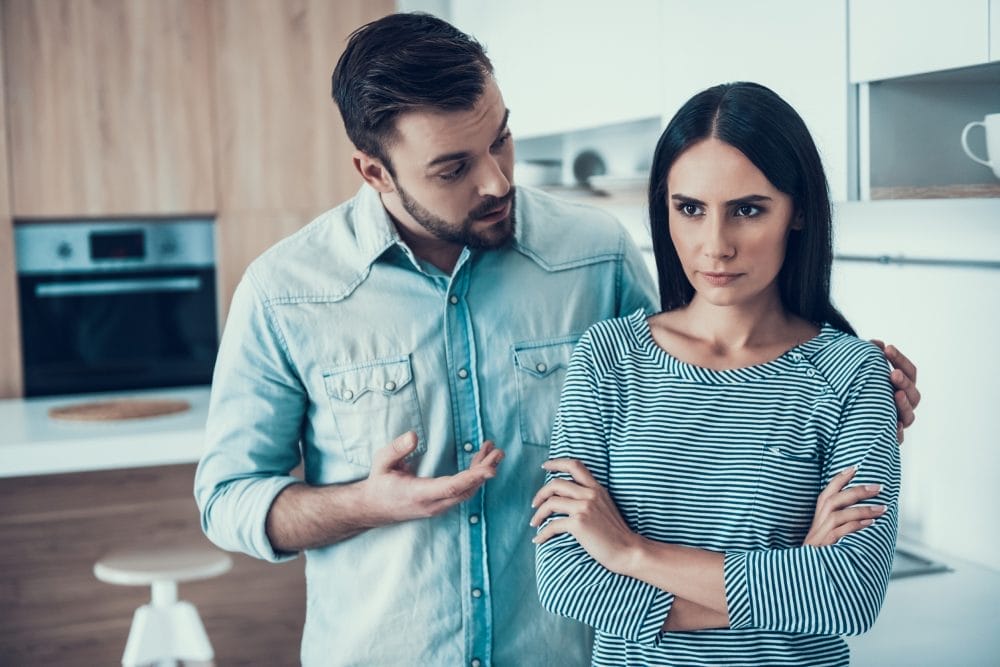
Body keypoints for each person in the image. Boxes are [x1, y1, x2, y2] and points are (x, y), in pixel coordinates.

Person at [194, 13, 919, 666]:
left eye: (500, 139)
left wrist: (862, 395)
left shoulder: (595, 254)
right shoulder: (286, 291)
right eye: (454, 167)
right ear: (374, 171)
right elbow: (227, 498)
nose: (496, 180)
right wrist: (368, 503)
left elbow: (704, 388)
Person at [532, 81, 904, 667]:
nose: (715, 245)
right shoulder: (607, 358)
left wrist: (629, 552)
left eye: (747, 210)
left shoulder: (853, 373)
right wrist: (794, 581)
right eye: (690, 209)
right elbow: (566, 581)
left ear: (799, 211)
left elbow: (849, 596)